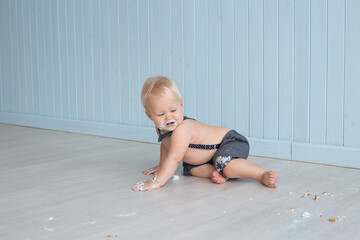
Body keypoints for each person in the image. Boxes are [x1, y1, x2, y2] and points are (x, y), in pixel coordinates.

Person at [132, 76, 278, 192]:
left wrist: (157, 181)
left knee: (226, 164)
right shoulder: (161, 129)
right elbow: (165, 146)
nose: (168, 118)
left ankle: (260, 174)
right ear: (149, 115)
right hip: (206, 157)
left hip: (228, 143)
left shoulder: (183, 128)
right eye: (161, 114)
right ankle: (218, 172)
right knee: (191, 169)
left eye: (173, 110)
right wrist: (161, 165)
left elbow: (175, 157)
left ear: (181, 105)